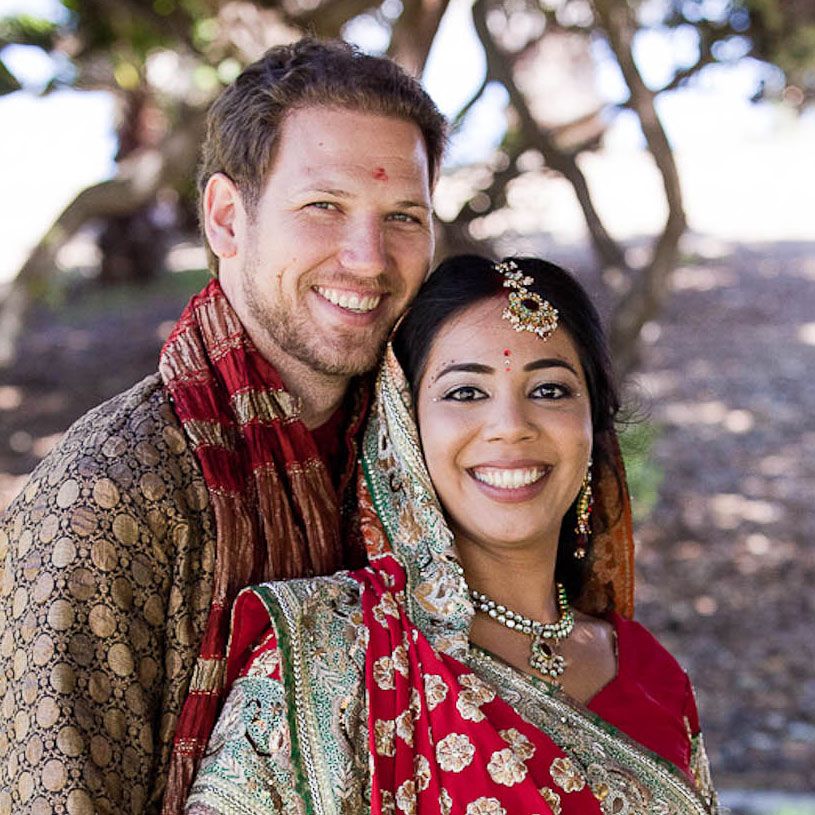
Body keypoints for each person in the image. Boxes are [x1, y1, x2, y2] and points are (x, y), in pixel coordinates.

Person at [0, 39, 446, 814]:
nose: (368, 259)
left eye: (402, 216)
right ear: (225, 218)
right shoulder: (108, 495)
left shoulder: (429, 455)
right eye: (323, 207)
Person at [185, 255, 719, 815]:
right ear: (404, 426)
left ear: (594, 428)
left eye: (550, 391)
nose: (511, 424)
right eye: (465, 392)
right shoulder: (330, 654)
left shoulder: (654, 676)